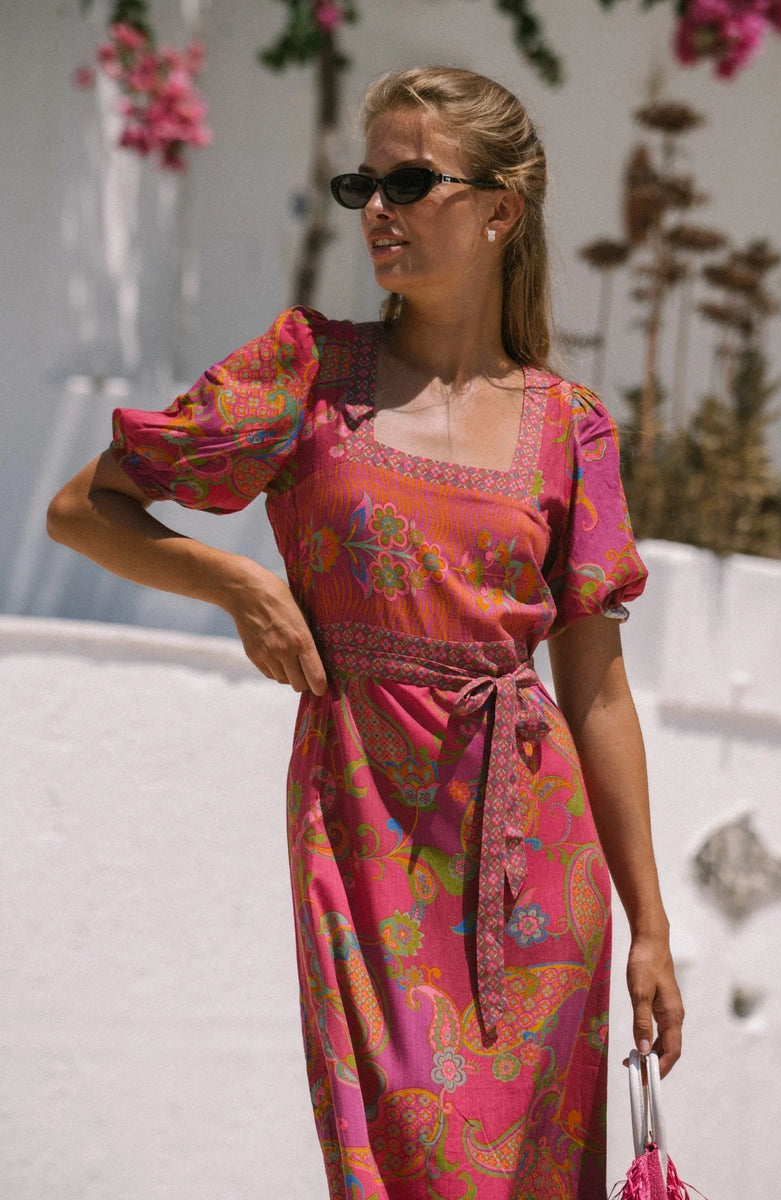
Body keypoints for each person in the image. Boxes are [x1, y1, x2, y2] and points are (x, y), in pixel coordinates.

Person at [48, 65, 683, 1200]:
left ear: (499, 209)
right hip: (362, 842)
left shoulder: (570, 429)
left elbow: (595, 690)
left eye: (409, 182)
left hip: (535, 863)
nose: (376, 209)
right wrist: (236, 585)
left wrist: (648, 927)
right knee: (402, 1161)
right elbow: (82, 509)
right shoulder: (306, 372)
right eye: (362, 184)